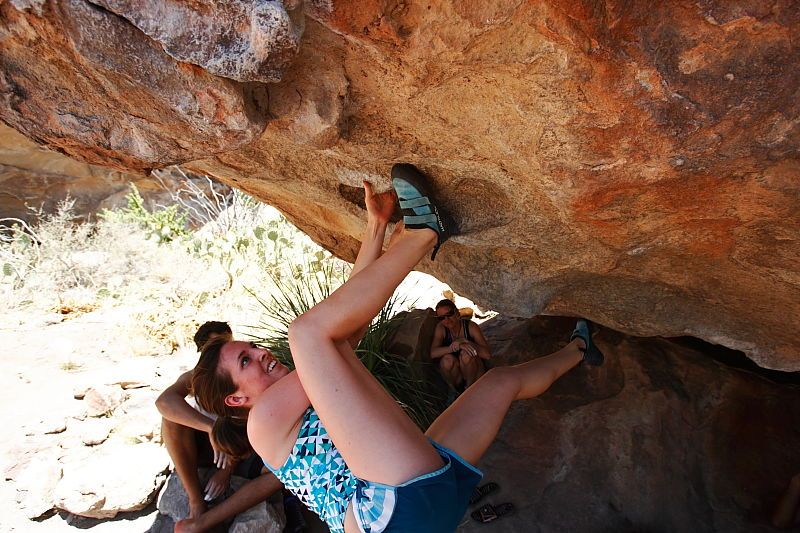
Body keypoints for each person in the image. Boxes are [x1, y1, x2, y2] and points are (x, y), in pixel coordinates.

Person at [190, 163, 605, 533]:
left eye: (253, 347)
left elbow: (346, 324)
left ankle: (578, 348)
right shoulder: (261, 422)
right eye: (246, 360)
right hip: (382, 512)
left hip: (416, 494)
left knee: (499, 382)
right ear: (237, 397)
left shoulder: (312, 389)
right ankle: (428, 232)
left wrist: (376, 228)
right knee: (304, 335)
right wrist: (396, 240)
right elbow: (330, 336)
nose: (262, 353)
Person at [156, 321, 284, 533]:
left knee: (281, 473)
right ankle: (196, 501)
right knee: (171, 420)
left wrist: (227, 470)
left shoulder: (246, 377)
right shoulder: (199, 377)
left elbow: (247, 430)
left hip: (243, 450)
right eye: (211, 347)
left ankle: (205, 521)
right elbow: (164, 402)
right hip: (210, 450)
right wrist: (211, 428)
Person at [430, 298, 492, 394]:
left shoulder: (470, 326)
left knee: (466, 355)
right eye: (441, 318)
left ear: (457, 313)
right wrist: (457, 346)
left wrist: (466, 342)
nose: (447, 320)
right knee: (447, 360)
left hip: (475, 373)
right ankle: (455, 391)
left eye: (449, 314)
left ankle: (468, 390)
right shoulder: (441, 329)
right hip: (457, 375)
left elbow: (487, 355)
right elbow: (433, 353)